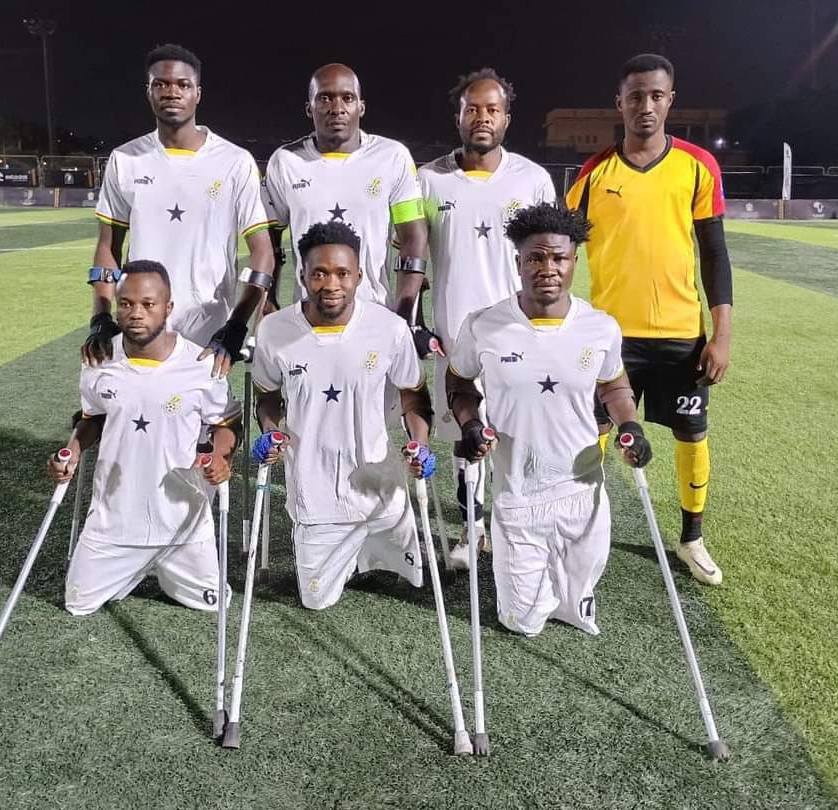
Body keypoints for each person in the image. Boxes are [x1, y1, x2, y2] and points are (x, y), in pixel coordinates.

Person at [564, 53, 733, 586]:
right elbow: (560, 251)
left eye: (656, 95)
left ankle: (691, 539)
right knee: (595, 434)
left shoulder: (697, 165)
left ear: (670, 101)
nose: (646, 105)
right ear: (619, 102)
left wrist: (722, 333)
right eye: (635, 95)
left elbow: (714, 253)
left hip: (683, 336)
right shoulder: (593, 175)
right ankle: (577, 532)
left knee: (691, 435)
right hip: (611, 339)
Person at [446, 203, 651, 636]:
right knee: (523, 622)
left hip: (583, 492)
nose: (548, 268)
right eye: (536, 258)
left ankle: (565, 582)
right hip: (518, 495)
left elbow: (614, 387)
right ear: (518, 262)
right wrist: (469, 426)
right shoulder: (484, 325)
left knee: (577, 609)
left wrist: (630, 426)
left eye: (559, 258)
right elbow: (459, 383)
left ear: (574, 261)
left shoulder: (600, 328)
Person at [250, 221, 436, 609]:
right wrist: (269, 430)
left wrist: (419, 441)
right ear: (302, 276)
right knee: (316, 601)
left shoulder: (390, 329)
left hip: (381, 490)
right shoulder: (273, 330)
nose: (331, 284)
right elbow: (266, 396)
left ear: (359, 277)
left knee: (412, 578)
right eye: (319, 273)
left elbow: (414, 394)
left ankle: (376, 549)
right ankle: (342, 557)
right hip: (314, 496)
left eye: (342, 273)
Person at [418, 67, 558, 567]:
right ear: (457, 116)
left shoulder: (532, 179)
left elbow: (550, 258)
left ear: (507, 117)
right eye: (472, 108)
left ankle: (513, 526)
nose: (482, 117)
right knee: (464, 435)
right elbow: (412, 258)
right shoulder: (429, 179)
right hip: (454, 337)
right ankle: (471, 530)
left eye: (492, 109)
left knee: (518, 435)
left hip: (517, 332)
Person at [48, 261, 241, 615]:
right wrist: (73, 449)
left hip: (183, 523)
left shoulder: (201, 365)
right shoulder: (99, 360)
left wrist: (221, 457)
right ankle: (128, 568)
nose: (136, 313)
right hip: (114, 521)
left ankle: (163, 567)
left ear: (168, 308)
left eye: (148, 304)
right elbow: (91, 418)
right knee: (77, 604)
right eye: (126, 304)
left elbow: (227, 423)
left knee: (214, 606)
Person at [84, 43, 275, 377]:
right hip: (140, 324)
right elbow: (108, 246)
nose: (172, 92)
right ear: (148, 91)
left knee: (208, 425)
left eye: (183, 85)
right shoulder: (125, 160)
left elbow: (262, 251)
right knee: (134, 423)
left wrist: (238, 325)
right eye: (161, 84)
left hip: (209, 328)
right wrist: (101, 315)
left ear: (198, 93)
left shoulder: (234, 162)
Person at [262, 64, 436, 357]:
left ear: (361, 106)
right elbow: (270, 239)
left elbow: (413, 239)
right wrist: (269, 301)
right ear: (309, 108)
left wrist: (405, 311)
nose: (336, 108)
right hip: (307, 318)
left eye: (347, 98)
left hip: (375, 315)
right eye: (325, 98)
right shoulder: (285, 162)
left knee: (379, 403)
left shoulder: (391, 157)